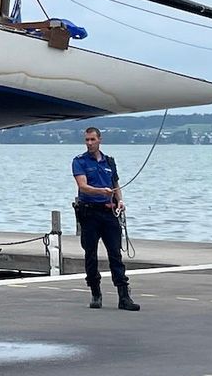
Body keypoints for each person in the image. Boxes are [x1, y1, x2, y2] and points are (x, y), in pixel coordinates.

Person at [71, 127, 139, 311]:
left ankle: (124, 296)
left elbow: (115, 184)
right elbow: (83, 186)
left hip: (109, 213)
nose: (89, 143)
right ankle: (95, 292)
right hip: (89, 213)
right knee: (91, 254)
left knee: (115, 254)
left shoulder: (109, 161)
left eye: (92, 139)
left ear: (100, 140)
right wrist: (101, 191)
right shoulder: (79, 161)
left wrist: (120, 200)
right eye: (87, 140)